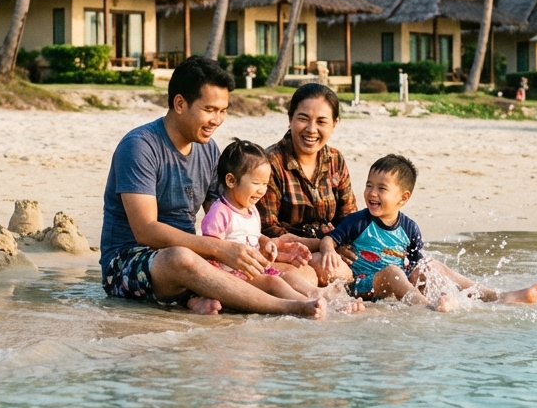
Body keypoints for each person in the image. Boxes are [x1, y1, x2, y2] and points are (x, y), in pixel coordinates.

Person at [100, 56, 325, 318]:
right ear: (180, 103)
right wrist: (218, 249)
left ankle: (197, 298)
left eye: (223, 111)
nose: (217, 120)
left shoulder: (208, 149)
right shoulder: (140, 146)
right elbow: (145, 231)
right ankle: (288, 308)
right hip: (128, 264)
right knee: (180, 259)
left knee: (292, 271)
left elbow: (226, 212)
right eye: (209, 110)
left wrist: (263, 243)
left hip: (196, 256)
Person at [316, 154, 537, 310]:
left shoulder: (409, 227)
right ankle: (428, 308)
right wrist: (329, 252)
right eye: (369, 185)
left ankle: (497, 297)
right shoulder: (359, 221)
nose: (372, 193)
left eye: (381, 188)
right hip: (364, 284)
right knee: (393, 271)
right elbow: (330, 238)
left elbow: (415, 265)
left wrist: (426, 277)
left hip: (399, 283)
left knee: (429, 265)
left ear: (403, 198)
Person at [200, 139, 336, 304]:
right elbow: (210, 249)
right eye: (256, 183)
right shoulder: (220, 212)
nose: (262, 190)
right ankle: (304, 304)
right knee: (274, 282)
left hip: (252, 271)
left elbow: (253, 235)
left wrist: (266, 242)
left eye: (265, 184)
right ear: (231, 181)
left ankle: (321, 294)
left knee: (289, 276)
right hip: (232, 278)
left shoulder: (251, 209)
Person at [257, 83, 358, 289]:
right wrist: (322, 239)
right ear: (290, 119)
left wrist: (338, 245)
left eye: (321, 121)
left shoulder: (335, 160)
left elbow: (349, 219)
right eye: (303, 119)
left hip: (330, 249)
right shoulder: (270, 162)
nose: (311, 130)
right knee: (326, 275)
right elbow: (267, 228)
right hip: (285, 254)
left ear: (334, 123)